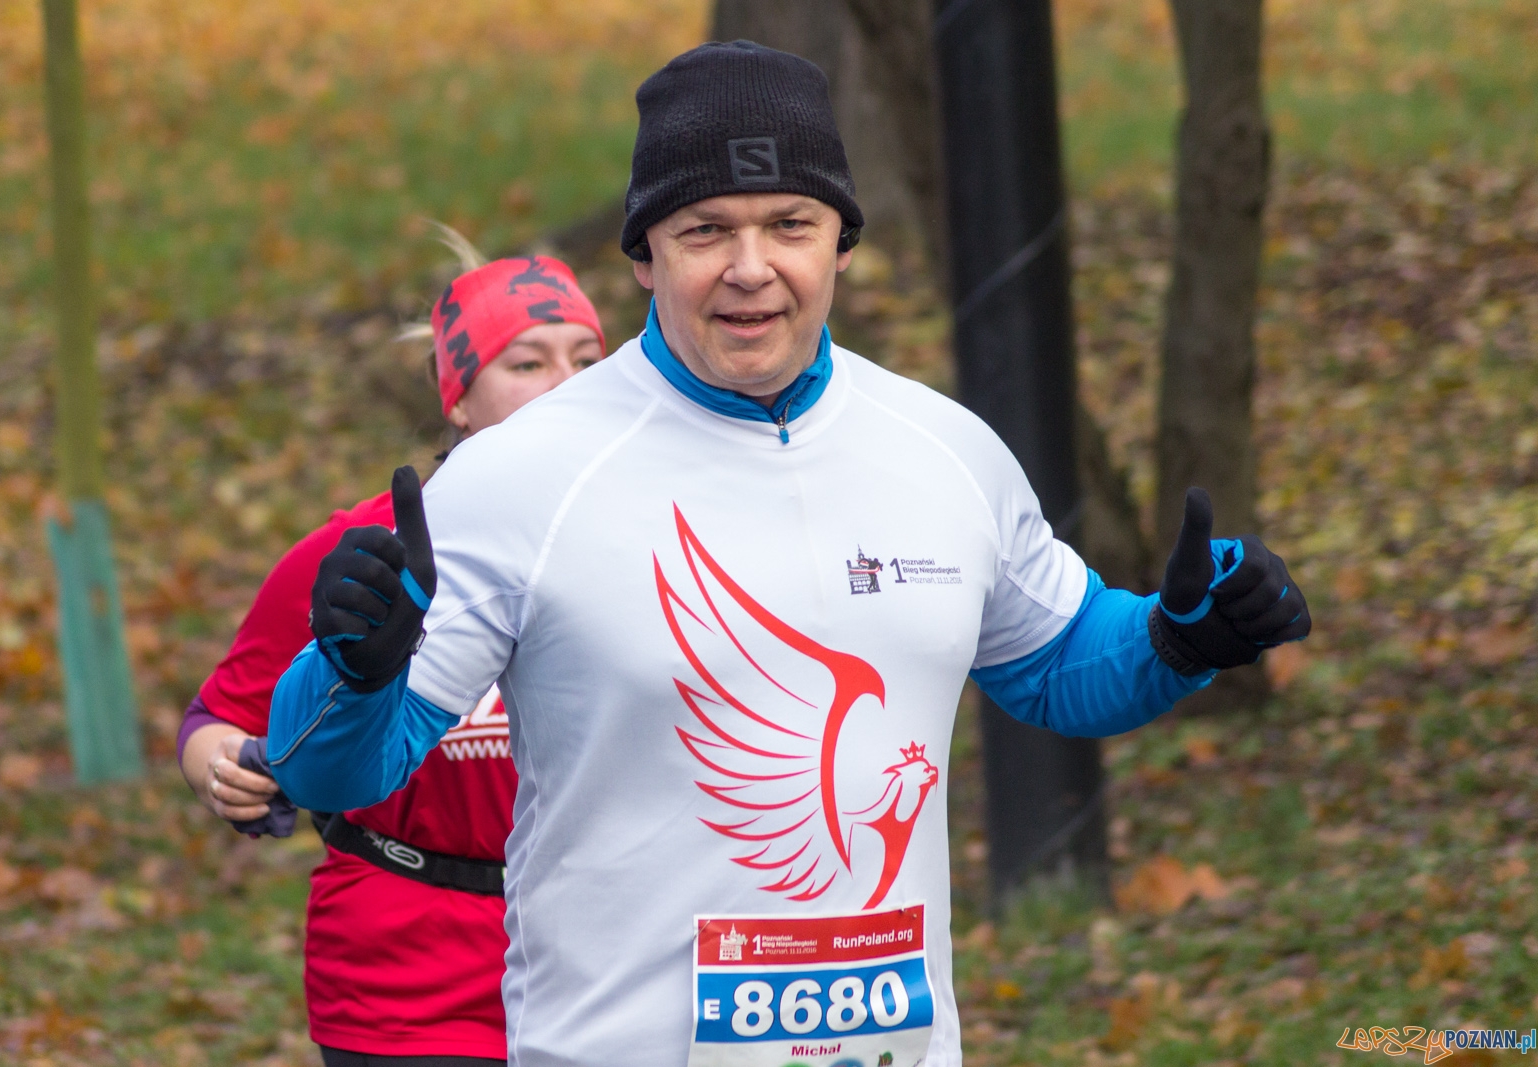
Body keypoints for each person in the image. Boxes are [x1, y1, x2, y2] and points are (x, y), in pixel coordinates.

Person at [265, 42, 1310, 1067]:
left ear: (841, 243)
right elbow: (335, 768)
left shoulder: (944, 451)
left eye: (790, 225)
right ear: (643, 254)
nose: (751, 268)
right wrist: (352, 669)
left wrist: (1180, 635)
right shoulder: (518, 474)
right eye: (705, 229)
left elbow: (1055, 663)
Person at [177, 241, 607, 1066]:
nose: (568, 385)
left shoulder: (655, 541)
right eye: (527, 361)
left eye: (589, 359)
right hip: (407, 967)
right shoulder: (363, 551)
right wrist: (224, 768)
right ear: (461, 401)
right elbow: (219, 714)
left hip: (604, 953)